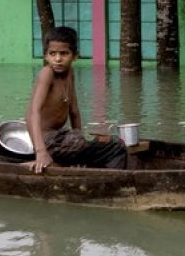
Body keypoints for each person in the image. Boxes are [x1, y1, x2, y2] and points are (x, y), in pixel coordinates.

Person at [24, 26, 127, 173]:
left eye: (64, 53)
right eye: (52, 54)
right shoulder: (47, 74)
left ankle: (94, 171)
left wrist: (81, 139)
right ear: (46, 56)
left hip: (60, 138)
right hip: (47, 142)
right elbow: (34, 112)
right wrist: (40, 152)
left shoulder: (69, 73)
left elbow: (74, 111)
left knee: (111, 142)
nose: (58, 59)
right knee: (113, 146)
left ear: (75, 56)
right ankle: (106, 177)